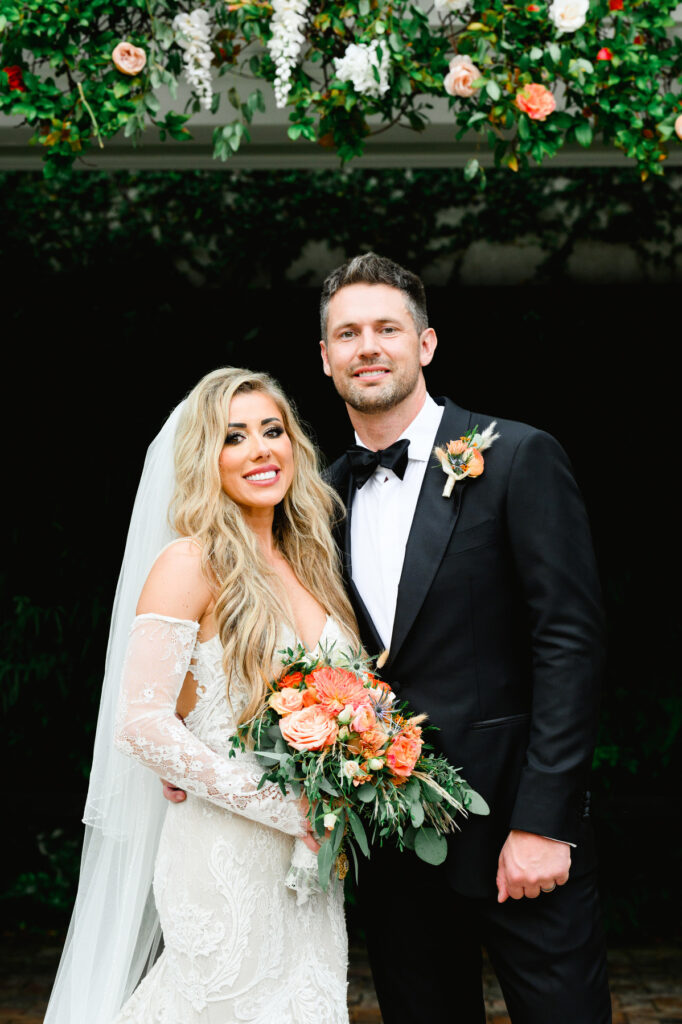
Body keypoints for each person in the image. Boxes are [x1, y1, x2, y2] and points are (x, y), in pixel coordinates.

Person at [318, 253, 612, 1023]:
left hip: (522, 839)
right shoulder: (318, 495)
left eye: (388, 327)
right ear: (325, 357)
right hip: (394, 849)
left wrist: (545, 822)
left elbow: (570, 643)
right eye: (348, 333)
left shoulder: (517, 456)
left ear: (427, 344)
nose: (367, 346)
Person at [45, 367, 358, 1024]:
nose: (260, 450)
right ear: (205, 458)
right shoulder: (190, 562)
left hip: (307, 869)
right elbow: (143, 724)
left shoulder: (313, 565)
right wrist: (281, 807)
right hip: (223, 860)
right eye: (234, 437)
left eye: (272, 431)